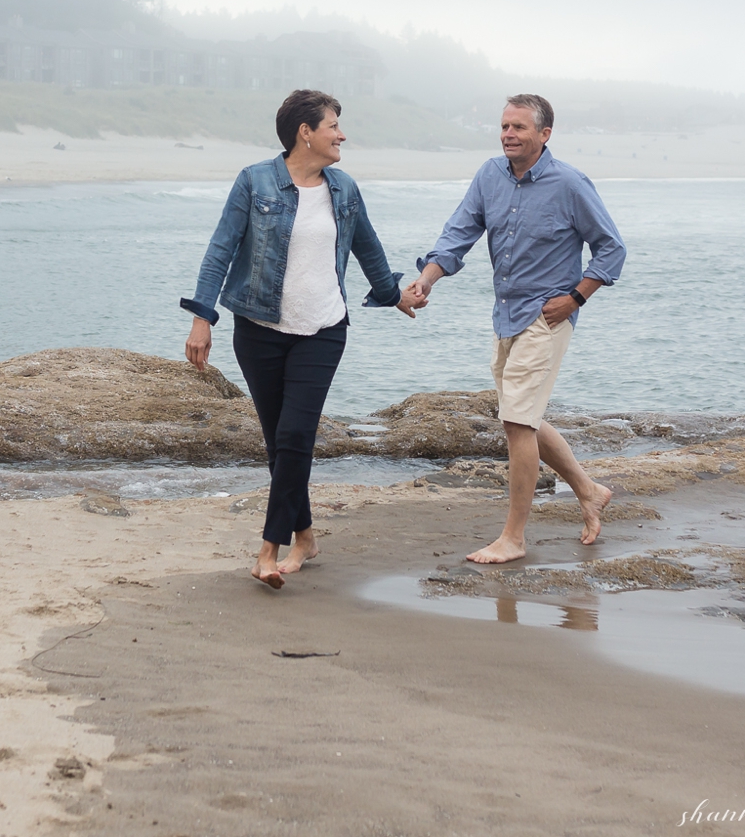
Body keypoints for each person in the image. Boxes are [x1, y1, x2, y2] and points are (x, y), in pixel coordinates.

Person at [182, 89, 426, 588]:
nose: (341, 134)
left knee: (296, 436)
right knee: (280, 444)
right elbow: (220, 250)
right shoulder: (254, 181)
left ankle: (268, 551)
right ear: (305, 133)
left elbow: (368, 248)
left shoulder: (343, 189)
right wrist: (202, 317)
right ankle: (307, 537)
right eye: (334, 125)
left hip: (323, 330)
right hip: (258, 330)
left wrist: (393, 295)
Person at [406, 94, 626, 558]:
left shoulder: (569, 183)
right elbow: (458, 233)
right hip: (505, 314)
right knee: (520, 418)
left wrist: (575, 298)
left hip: (546, 318)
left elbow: (611, 249)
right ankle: (589, 490)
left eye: (520, 128)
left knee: (517, 421)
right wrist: (427, 281)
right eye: (505, 126)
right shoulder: (490, 175)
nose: (509, 134)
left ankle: (514, 538)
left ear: (544, 135)